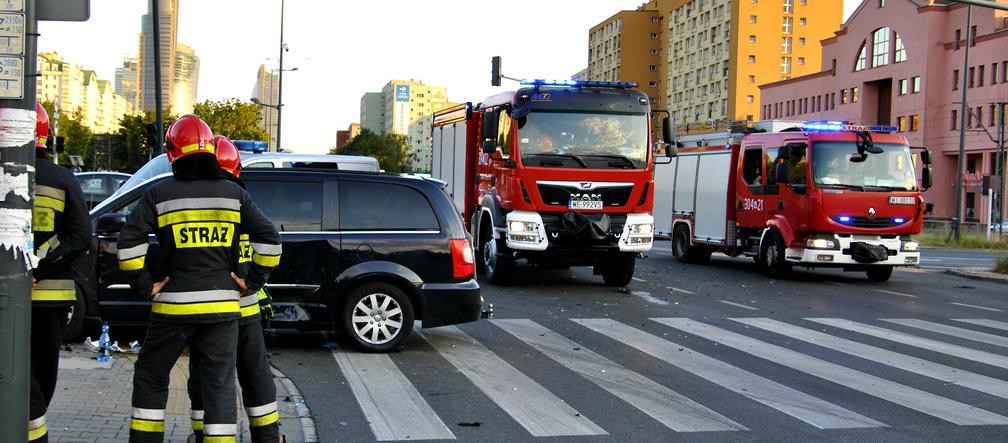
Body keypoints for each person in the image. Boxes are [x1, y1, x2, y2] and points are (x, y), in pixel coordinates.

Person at [118, 115, 281, 443]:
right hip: (224, 308)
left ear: (172, 154)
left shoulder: (158, 193)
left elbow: (128, 248)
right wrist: (254, 281)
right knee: (220, 384)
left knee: (152, 375)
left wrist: (145, 285)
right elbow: (271, 242)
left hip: (173, 307)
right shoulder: (235, 196)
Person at [187, 136, 282, 443]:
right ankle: (267, 437)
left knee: (207, 376)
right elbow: (268, 243)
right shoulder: (244, 200)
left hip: (209, 310)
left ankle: (204, 436)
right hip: (247, 307)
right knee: (256, 375)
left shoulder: (197, 200)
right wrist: (255, 282)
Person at [29, 102, 92, 443]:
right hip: (50, 299)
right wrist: (38, 262)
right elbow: (81, 237)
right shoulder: (63, 179)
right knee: (42, 374)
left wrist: (19, 270)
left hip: (8, 294)